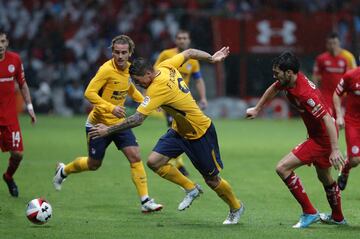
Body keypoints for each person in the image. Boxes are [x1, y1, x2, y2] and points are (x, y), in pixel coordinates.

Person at [88, 46, 244, 225]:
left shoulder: (156, 88)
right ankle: (190, 188)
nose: (139, 86)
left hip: (199, 132)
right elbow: (189, 53)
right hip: (179, 130)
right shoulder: (165, 66)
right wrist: (211, 58)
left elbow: (138, 119)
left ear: (148, 74)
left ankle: (236, 207)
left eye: (139, 82)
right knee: (154, 162)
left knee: (212, 179)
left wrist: (107, 130)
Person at [52, 35, 163, 213]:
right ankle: (64, 171)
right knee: (93, 164)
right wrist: (111, 108)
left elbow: (131, 89)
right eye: (117, 52)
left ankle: (145, 201)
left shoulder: (129, 69)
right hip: (98, 124)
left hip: (118, 124)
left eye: (124, 53)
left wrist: (146, 102)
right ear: (112, 52)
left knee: (135, 156)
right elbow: (89, 93)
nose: (120, 56)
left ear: (130, 53)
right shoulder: (105, 70)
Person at [246, 52, 346, 228]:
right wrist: (257, 108)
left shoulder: (305, 94)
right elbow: (274, 88)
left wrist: (335, 149)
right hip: (321, 136)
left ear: (289, 72)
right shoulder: (289, 80)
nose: (275, 76)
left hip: (321, 139)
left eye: (277, 73)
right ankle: (338, 218)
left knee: (282, 168)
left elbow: (328, 120)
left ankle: (310, 212)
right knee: (324, 177)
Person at [154, 30, 208, 176]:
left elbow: (198, 79)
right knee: (176, 129)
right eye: (179, 38)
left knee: (182, 130)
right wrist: (154, 99)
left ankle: (176, 160)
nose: (182, 40)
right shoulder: (166, 55)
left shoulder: (194, 61)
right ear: (175, 40)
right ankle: (179, 164)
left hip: (183, 101)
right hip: (167, 98)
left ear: (189, 40)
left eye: (185, 38)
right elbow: (153, 75)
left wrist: (203, 97)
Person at [0, 30, 36, 197]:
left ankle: (8, 177)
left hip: (9, 117)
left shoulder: (14, 59)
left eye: (2, 41)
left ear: (7, 43)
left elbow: (22, 84)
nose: (0, 46)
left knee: (18, 154)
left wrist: (29, 107)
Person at [312, 32, 357, 115]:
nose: (332, 46)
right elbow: (316, 76)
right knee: (329, 116)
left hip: (341, 95)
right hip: (326, 95)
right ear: (326, 44)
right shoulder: (321, 59)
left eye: (334, 43)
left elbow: (348, 78)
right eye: (330, 43)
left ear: (339, 43)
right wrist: (316, 92)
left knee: (340, 119)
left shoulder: (344, 59)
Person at [334, 68, 360, 190]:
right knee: (355, 160)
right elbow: (337, 94)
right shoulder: (350, 76)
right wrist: (339, 116)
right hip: (353, 122)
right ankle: (345, 169)